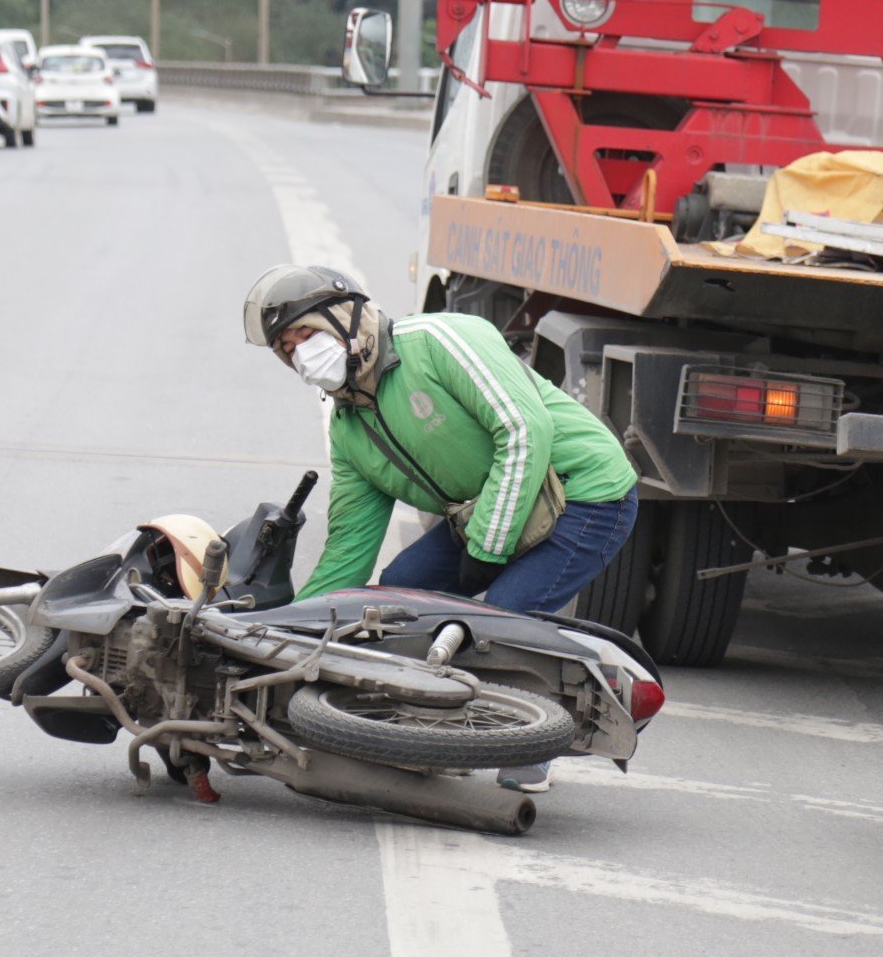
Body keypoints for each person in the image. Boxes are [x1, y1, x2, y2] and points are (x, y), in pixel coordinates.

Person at [243, 267, 641, 789]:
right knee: (392, 603)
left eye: (308, 334)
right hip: (491, 512)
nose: (302, 355)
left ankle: (538, 744)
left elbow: (524, 432)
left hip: (584, 494)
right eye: (288, 349)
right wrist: (288, 637)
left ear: (345, 321)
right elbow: (348, 551)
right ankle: (406, 722)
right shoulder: (349, 426)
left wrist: (489, 547)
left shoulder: (440, 342)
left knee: (496, 629)